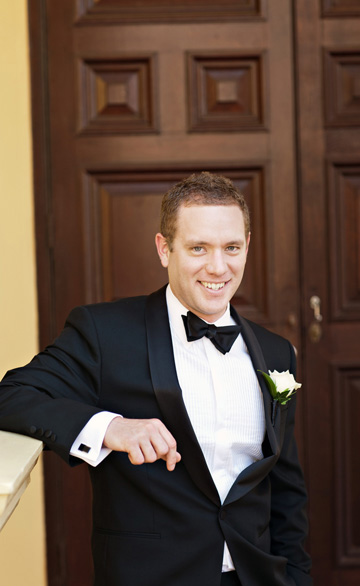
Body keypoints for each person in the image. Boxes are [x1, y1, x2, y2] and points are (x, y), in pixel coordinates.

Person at [0, 172, 312, 586]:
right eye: (198, 247)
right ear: (164, 249)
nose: (218, 267)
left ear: (247, 247)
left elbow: (286, 490)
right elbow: (12, 395)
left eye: (232, 247)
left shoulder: (276, 353)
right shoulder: (104, 333)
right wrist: (110, 427)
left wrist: (297, 578)